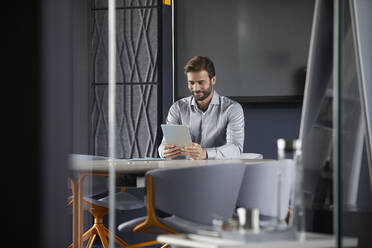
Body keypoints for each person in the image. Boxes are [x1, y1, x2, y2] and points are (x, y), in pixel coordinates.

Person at [158, 56, 245, 160]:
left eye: (200, 82)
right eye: (191, 83)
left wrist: (205, 154)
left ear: (213, 80)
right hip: (185, 171)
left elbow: (236, 149)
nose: (196, 88)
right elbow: (164, 145)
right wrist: (165, 151)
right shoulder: (177, 108)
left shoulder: (232, 109)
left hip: (219, 171)